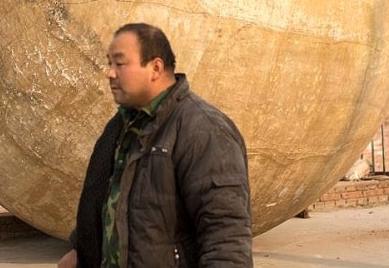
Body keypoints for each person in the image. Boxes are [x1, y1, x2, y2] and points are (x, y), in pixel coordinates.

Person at [58, 23, 253, 268]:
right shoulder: (121, 127)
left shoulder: (203, 130)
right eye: (110, 63)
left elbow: (226, 236)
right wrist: (82, 250)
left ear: (155, 68)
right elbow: (108, 201)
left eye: (120, 63)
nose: (110, 72)